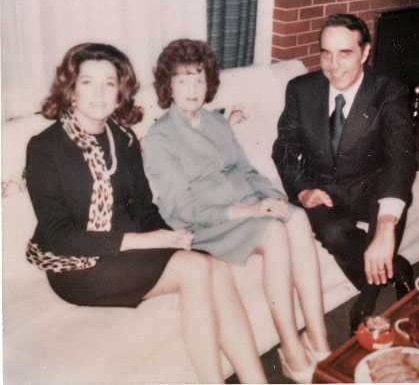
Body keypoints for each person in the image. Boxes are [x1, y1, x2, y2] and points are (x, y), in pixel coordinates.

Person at [25, 42, 266, 384]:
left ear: (120, 91)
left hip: (129, 251)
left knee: (217, 267)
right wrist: (146, 241)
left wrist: (170, 235)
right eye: (88, 82)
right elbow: (59, 237)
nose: (99, 93)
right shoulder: (45, 148)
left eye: (109, 83)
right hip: (79, 267)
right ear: (71, 89)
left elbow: (144, 207)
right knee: (195, 269)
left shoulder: (123, 139)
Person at [144, 39, 331, 384]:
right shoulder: (160, 137)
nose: (192, 89)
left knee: (296, 217)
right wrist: (249, 210)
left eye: (199, 79)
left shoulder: (216, 123)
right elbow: (182, 207)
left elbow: (246, 170)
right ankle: (291, 349)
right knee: (274, 231)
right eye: (182, 80)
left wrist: (274, 199)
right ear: (167, 85)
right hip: (204, 224)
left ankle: (320, 342)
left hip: (243, 210)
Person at [272, 13, 417, 333]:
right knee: (334, 233)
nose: (334, 65)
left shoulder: (389, 91)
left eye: (345, 53)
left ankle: (364, 307)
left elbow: (401, 158)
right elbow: (283, 148)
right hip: (322, 187)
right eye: (326, 53)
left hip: (374, 184)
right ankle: (398, 268)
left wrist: (385, 226)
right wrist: (301, 189)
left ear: (365, 53)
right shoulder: (301, 89)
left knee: (385, 222)